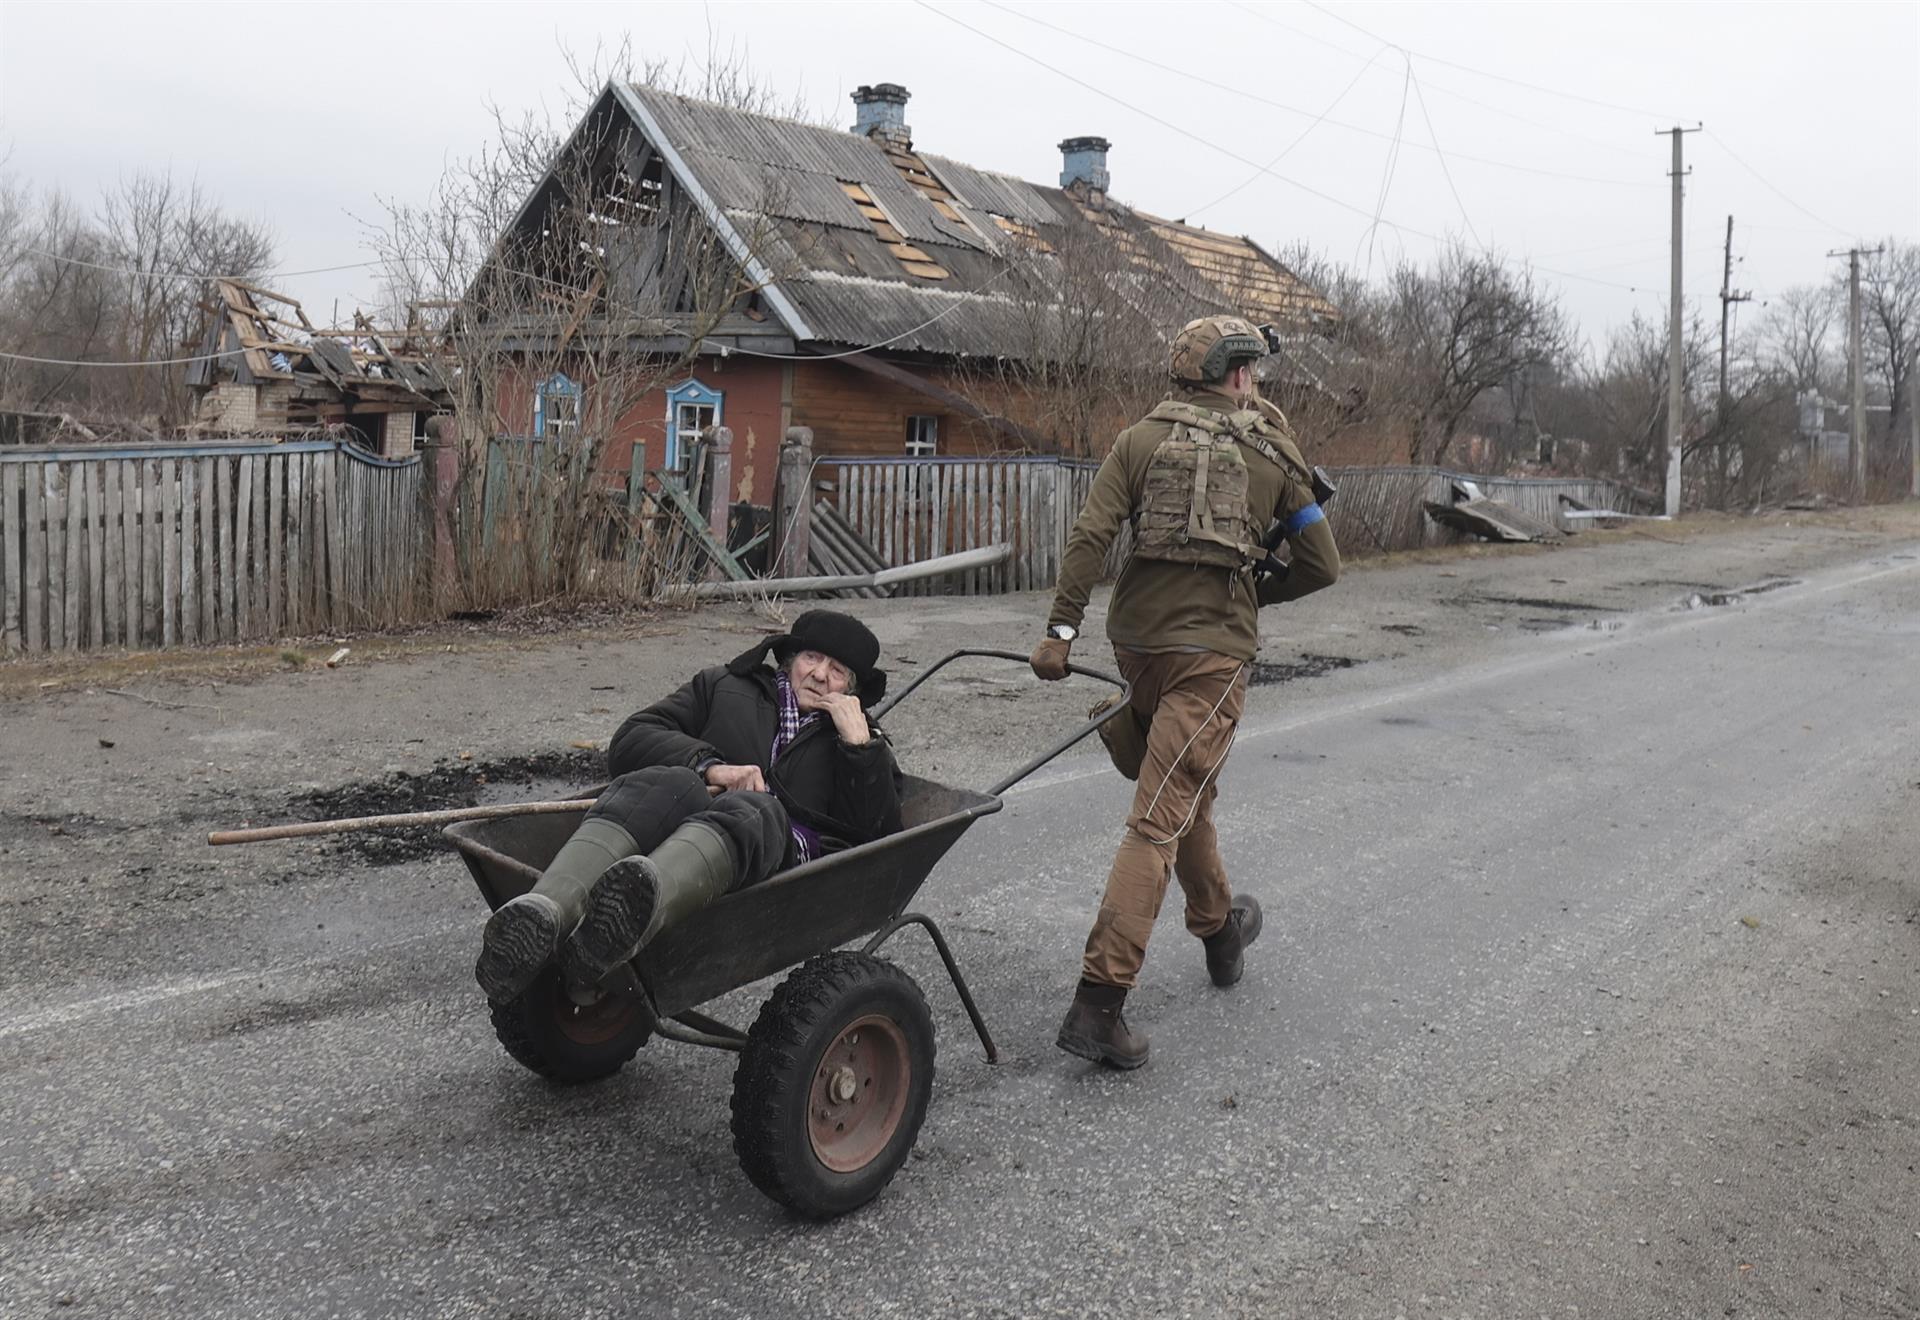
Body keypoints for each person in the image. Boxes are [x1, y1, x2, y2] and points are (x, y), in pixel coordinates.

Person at [1030, 314, 1341, 1069]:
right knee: (1158, 816)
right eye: (1255, 372)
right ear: (1237, 376)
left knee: (1181, 784)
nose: (1258, 384)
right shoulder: (1272, 453)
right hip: (1211, 659)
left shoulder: (1138, 440)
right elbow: (1322, 563)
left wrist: (1061, 633)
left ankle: (1219, 927)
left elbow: (1090, 537)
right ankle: (1099, 1003)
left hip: (1137, 645)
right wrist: (1255, 595)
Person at [475, 609, 903, 1003]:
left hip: (773, 849)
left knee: (756, 810)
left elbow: (878, 840)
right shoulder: (723, 686)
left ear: (853, 688)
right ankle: (543, 911)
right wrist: (709, 767)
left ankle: (628, 919)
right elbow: (630, 740)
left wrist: (859, 747)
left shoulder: (861, 741)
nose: (820, 675)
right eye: (812, 657)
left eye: (838, 671)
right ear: (789, 658)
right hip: (678, 827)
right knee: (670, 782)